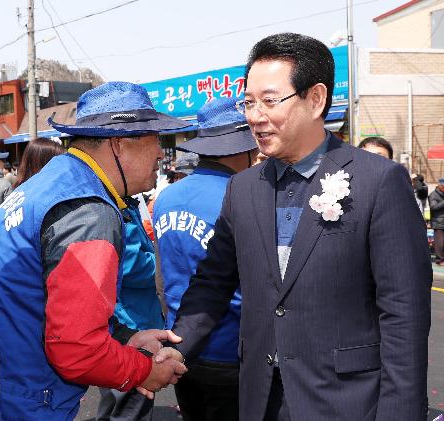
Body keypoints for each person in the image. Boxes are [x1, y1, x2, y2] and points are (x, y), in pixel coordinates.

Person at [162, 33, 432, 421]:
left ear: (316, 98)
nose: (254, 116)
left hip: (348, 402)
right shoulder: (242, 189)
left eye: (269, 101)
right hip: (260, 398)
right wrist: (178, 345)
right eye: (249, 102)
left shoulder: (378, 181)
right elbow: (213, 282)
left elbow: (403, 312)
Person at [0, 82, 190, 420]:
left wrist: (125, 337)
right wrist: (145, 370)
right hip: (29, 395)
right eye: (155, 141)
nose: (162, 154)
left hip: (3, 376)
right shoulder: (88, 210)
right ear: (119, 145)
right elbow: (78, 351)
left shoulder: (56, 181)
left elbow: (59, 299)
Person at [153, 97, 257, 421]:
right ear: (243, 148)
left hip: (180, 344)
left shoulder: (166, 198)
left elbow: (161, 273)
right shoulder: (242, 197)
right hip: (232, 348)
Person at [96, 194, 164, 421]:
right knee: (130, 407)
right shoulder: (114, 209)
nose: (159, 157)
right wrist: (169, 263)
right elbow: (133, 266)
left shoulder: (123, 205)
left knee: (116, 403)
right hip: (131, 323)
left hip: (130, 319)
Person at [429, 179, 444, 265]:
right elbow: (433, 207)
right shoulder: (433, 195)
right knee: (440, 242)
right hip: (438, 222)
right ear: (441, 186)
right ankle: (439, 259)